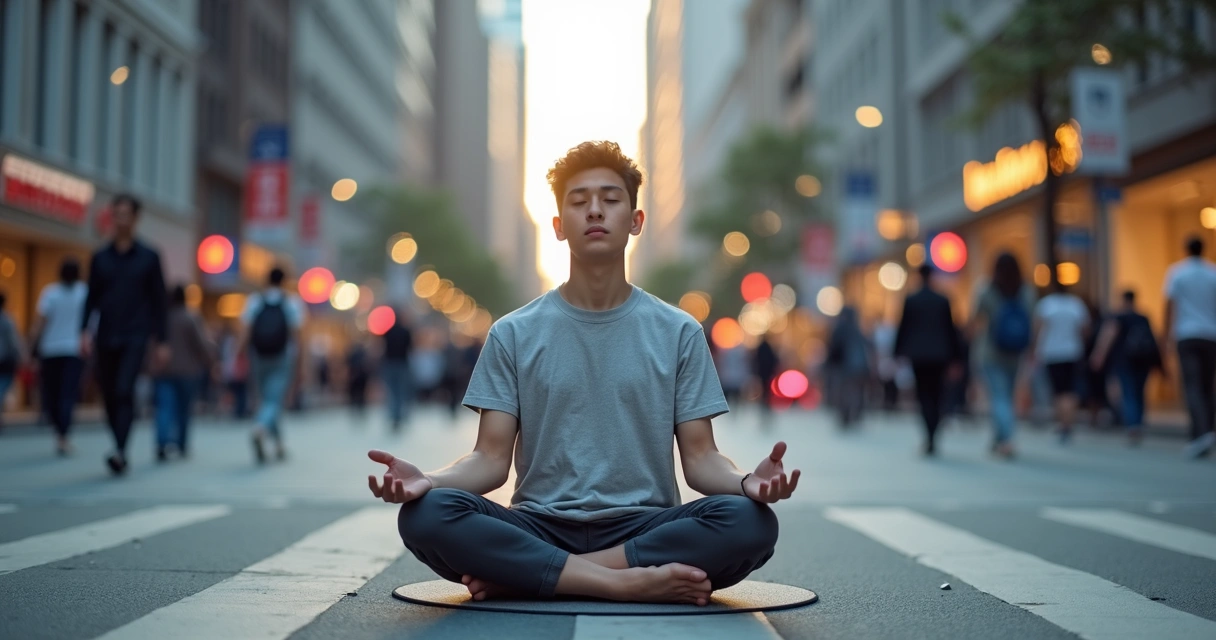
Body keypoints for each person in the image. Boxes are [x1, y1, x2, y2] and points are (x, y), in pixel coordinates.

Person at [367, 141, 797, 606]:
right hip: (539, 525)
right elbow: (490, 460)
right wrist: (426, 480)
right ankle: (622, 583)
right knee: (425, 515)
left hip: (643, 527)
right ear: (558, 225)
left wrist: (746, 484)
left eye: (611, 199)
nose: (595, 211)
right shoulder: (513, 332)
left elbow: (701, 459)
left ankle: (539, 575)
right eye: (579, 201)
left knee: (751, 521)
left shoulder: (679, 331)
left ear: (635, 221)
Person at [81, 194, 169, 475]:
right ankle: (118, 443)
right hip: (106, 334)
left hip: (135, 334)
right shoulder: (100, 258)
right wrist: (83, 331)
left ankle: (120, 450)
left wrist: (162, 341)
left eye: (125, 214)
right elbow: (91, 297)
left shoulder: (149, 257)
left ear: (135, 218)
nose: (120, 220)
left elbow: (159, 302)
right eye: (116, 214)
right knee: (108, 392)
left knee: (124, 388)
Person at [969, 252, 1035, 459]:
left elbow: (974, 318)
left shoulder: (987, 289)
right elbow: (1032, 319)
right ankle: (999, 438)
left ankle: (1006, 439)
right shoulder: (1026, 290)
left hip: (990, 351)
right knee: (1006, 395)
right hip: (1015, 352)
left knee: (999, 396)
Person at [894, 264, 962, 456]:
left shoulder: (911, 299)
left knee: (924, 395)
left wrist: (897, 353)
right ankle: (933, 432)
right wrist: (956, 357)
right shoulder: (942, 300)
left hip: (919, 355)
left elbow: (903, 327)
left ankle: (929, 433)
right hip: (940, 355)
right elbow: (951, 330)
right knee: (937, 394)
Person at [240, 266, 305, 463]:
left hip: (258, 356)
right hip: (282, 357)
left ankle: (278, 445)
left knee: (267, 399)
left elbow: (245, 332)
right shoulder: (291, 303)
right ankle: (260, 428)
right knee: (274, 400)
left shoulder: (255, 301)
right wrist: (302, 365)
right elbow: (298, 337)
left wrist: (238, 355)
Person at [29, 259, 88, 455]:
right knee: (66, 394)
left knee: (54, 393)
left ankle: (60, 432)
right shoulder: (82, 293)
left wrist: (32, 346)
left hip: (53, 350)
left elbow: (41, 322)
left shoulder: (51, 292)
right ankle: (63, 434)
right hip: (71, 350)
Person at [1164, 236, 1216, 458]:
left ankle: (1200, 433)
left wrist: (1165, 337)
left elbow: (1170, 306)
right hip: (1210, 335)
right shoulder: (1212, 272)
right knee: (1207, 386)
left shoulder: (1178, 272)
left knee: (1192, 386)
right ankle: (1204, 433)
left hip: (1186, 334)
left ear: (1186, 249)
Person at [1090, 290, 1162, 446]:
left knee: (1128, 392)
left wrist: (1099, 355)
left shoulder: (1118, 317)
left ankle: (1133, 426)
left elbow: (1108, 335)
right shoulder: (1142, 317)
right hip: (1143, 361)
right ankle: (1139, 423)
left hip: (1125, 361)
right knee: (1139, 392)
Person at [153, 285, 215, 461]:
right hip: (188, 371)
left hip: (164, 370)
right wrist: (210, 361)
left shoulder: (162, 318)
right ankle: (181, 443)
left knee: (164, 407)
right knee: (184, 409)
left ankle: (162, 442)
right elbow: (200, 343)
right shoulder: (191, 317)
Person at [1032, 281, 1090, 443]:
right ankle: (1067, 423)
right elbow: (1084, 329)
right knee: (1069, 389)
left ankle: (1063, 423)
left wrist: (1035, 349)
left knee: (1058, 390)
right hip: (1072, 351)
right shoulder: (1076, 304)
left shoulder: (1046, 305)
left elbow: (1038, 329)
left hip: (1052, 353)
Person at [826, 306, 870, 428]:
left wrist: (829, 363)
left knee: (844, 393)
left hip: (844, 367)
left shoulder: (841, 329)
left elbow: (834, 348)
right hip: (860, 368)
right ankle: (855, 415)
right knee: (856, 392)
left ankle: (846, 416)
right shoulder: (858, 330)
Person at [381, 310, 414, 430]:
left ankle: (394, 416)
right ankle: (400, 416)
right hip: (402, 364)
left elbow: (382, 347)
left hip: (390, 364)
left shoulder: (388, 332)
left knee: (392, 392)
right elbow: (411, 348)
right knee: (401, 391)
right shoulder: (406, 332)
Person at [0, 291, 27, 432]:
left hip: (4, 359)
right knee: (3, 385)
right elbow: (14, 341)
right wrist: (22, 355)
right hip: (4, 360)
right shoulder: (7, 320)